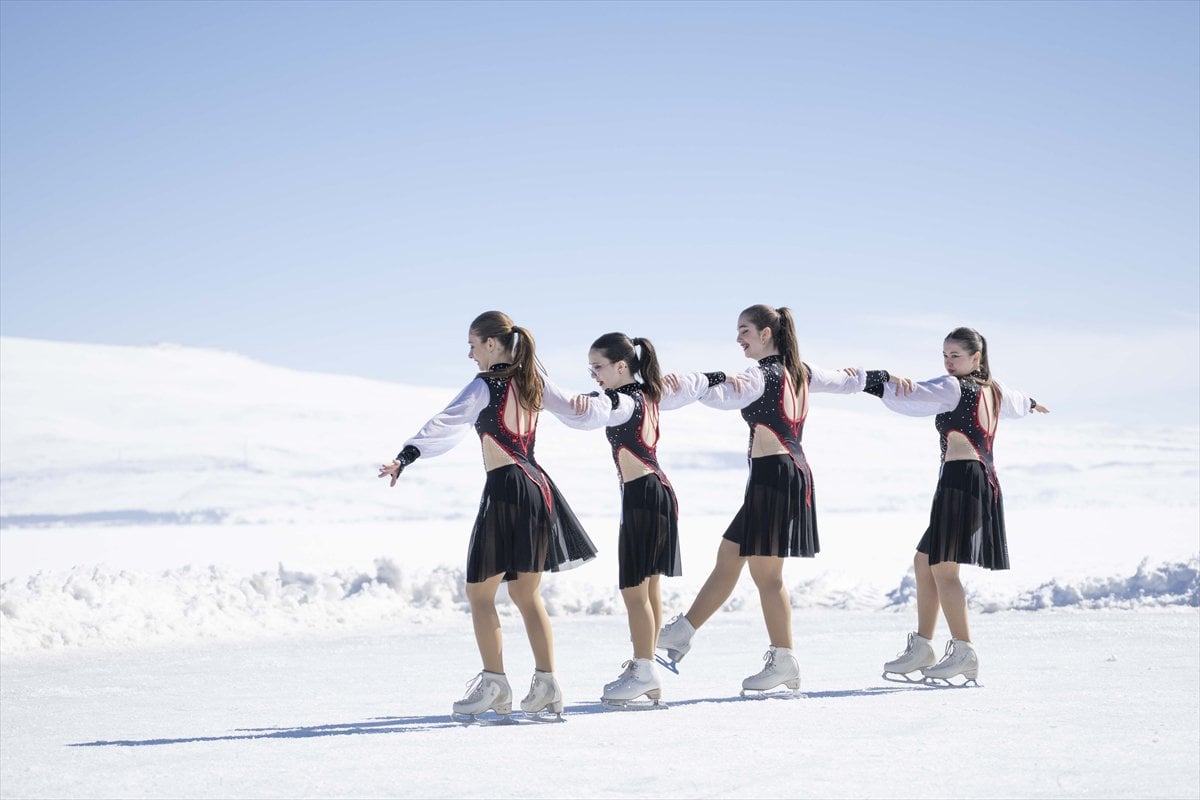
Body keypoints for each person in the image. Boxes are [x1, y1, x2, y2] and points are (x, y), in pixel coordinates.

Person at [378, 311, 602, 721]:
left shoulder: (485, 386)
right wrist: (612, 397)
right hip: (539, 489)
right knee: (526, 594)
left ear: (493, 344)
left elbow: (444, 422)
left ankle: (495, 684)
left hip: (506, 489)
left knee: (480, 595)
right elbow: (577, 410)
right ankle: (547, 684)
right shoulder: (534, 381)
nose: (469, 354)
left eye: (473, 344)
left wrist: (405, 456)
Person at [656, 304, 871, 696]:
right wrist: (874, 379)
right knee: (729, 555)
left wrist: (693, 383)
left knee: (767, 576)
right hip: (780, 476)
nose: (739, 339)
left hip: (776, 477)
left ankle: (783, 660)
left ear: (767, 334)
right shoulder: (803, 371)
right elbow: (846, 380)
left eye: (745, 331)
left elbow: (723, 396)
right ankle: (682, 633)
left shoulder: (761, 374)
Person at [853, 326, 1048, 686]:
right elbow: (1018, 402)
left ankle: (964, 652)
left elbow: (916, 395)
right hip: (972, 481)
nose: (948, 362)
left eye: (955, 356)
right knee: (924, 560)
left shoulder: (955, 387)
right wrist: (1033, 403)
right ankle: (924, 646)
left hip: (965, 481)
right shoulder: (996, 390)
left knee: (944, 568)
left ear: (976, 358)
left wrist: (876, 382)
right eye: (944, 355)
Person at [551, 332, 728, 708]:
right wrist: (717, 377)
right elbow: (695, 381)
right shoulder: (649, 393)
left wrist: (543, 391)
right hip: (658, 492)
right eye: (591, 368)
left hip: (644, 496)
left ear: (620, 366)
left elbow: (584, 411)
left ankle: (644, 669)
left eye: (598, 367)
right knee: (648, 589)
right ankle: (646, 671)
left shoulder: (619, 400)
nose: (594, 375)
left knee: (634, 589)